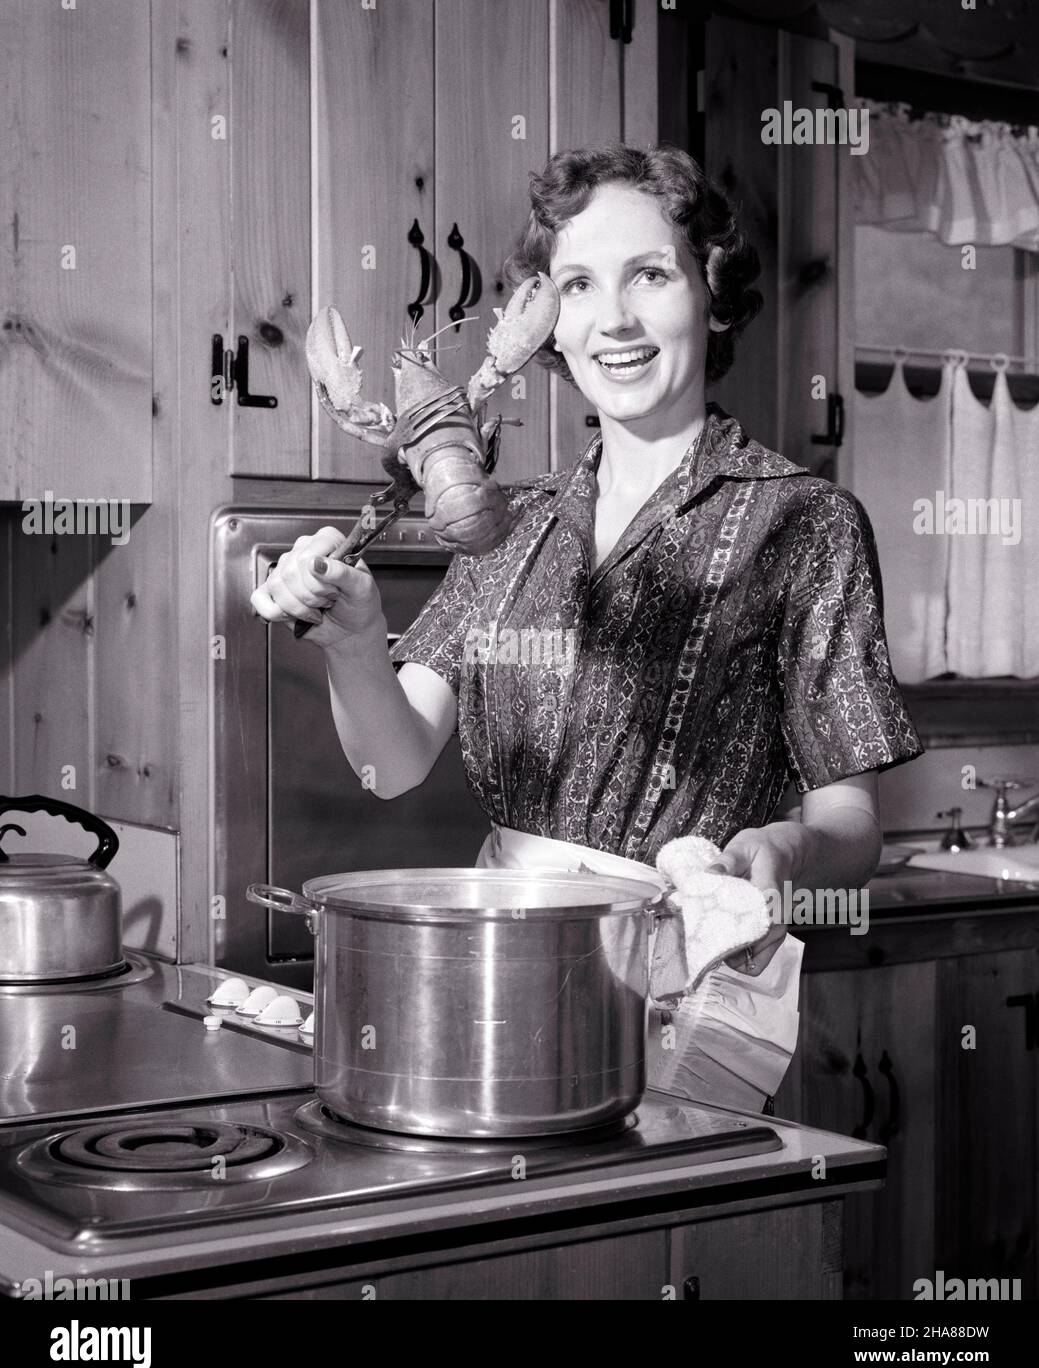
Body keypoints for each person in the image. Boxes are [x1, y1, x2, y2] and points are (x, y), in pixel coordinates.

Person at [251, 143, 923, 1112]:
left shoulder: (804, 521)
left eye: (649, 274)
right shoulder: (510, 520)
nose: (612, 318)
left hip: (685, 967)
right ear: (544, 327)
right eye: (576, 285)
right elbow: (391, 764)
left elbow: (847, 824)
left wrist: (781, 851)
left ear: (714, 295)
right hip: (496, 966)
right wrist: (355, 641)